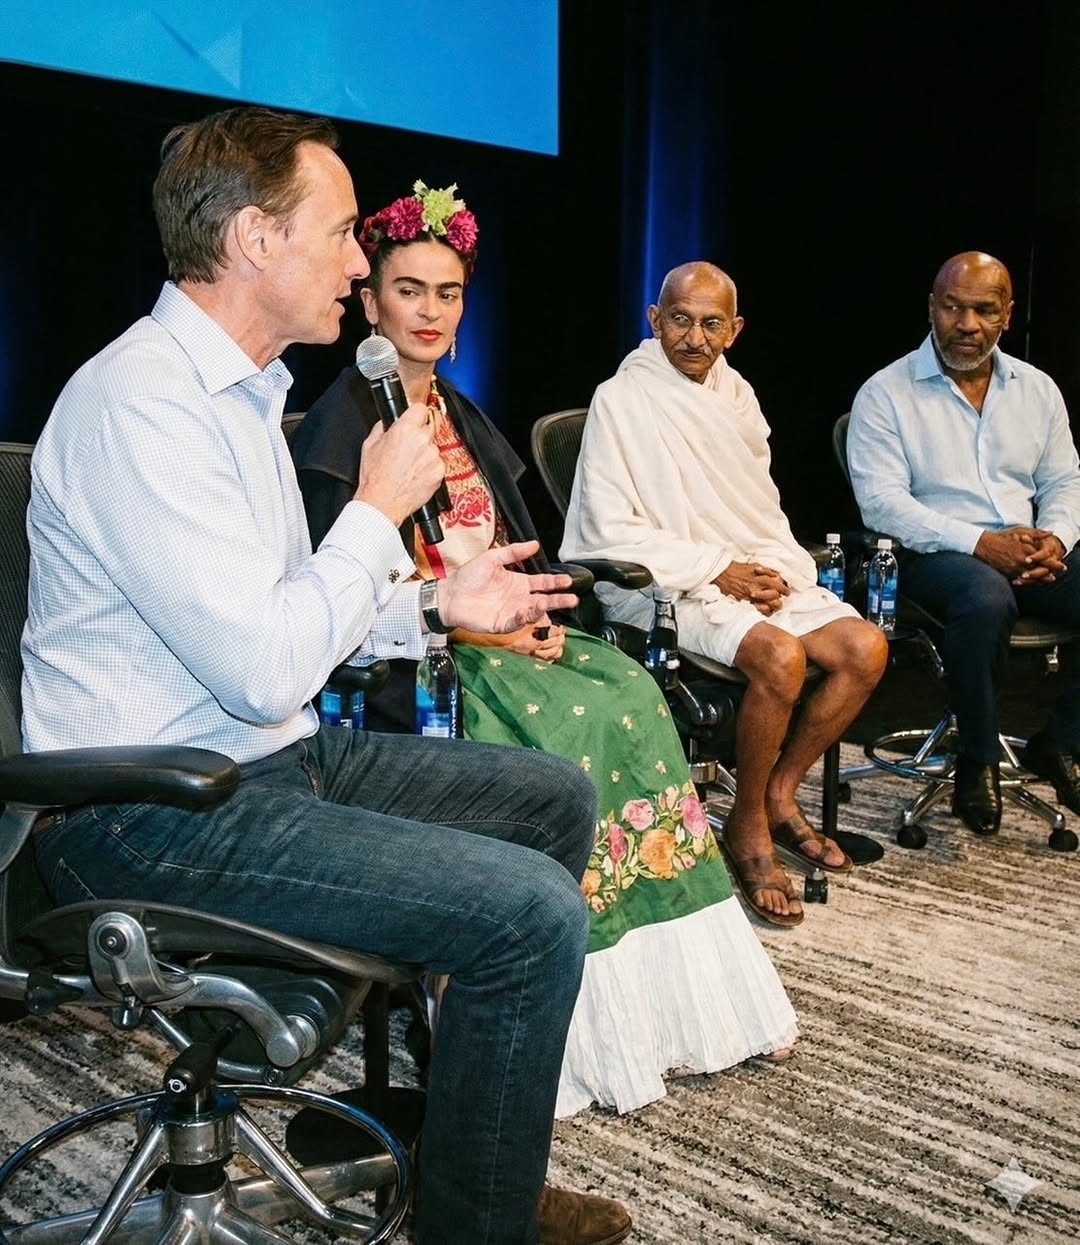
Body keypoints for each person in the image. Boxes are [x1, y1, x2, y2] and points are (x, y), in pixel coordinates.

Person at [21, 107, 632, 1245]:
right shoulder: (139, 404)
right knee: (531, 918)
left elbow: (286, 616)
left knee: (553, 798)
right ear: (255, 238)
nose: (361, 264)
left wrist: (438, 603)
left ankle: (470, 1169)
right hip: (145, 809)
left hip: (265, 761)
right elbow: (265, 667)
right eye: (345, 233)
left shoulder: (244, 392)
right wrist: (376, 509)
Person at [292, 184, 799, 1117]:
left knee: (628, 690)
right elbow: (345, 596)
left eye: (448, 293)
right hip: (417, 658)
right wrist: (474, 624)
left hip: (497, 629)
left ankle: (662, 1011)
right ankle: (533, 1007)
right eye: (408, 290)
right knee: (570, 723)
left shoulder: (458, 412)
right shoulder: (342, 426)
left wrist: (533, 611)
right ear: (369, 304)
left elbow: (515, 543)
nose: (431, 311)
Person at [561, 262, 889, 925]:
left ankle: (777, 793)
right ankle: (747, 826)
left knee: (865, 648)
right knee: (781, 658)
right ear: (654, 320)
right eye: (680, 320)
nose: (694, 337)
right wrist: (716, 568)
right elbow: (609, 529)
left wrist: (765, 569)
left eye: (711, 324)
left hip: (740, 566)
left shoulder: (737, 395)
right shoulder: (620, 398)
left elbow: (757, 510)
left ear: (734, 330)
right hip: (662, 581)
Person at [848, 250, 1080, 836]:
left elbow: (1064, 481)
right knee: (984, 597)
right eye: (953, 308)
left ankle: (1061, 741)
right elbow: (883, 504)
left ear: (1008, 314)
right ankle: (978, 758)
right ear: (932, 308)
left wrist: (1055, 539)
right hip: (930, 553)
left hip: (1024, 550)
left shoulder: (1037, 390)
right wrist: (980, 544)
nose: (967, 324)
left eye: (984, 310)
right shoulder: (886, 393)